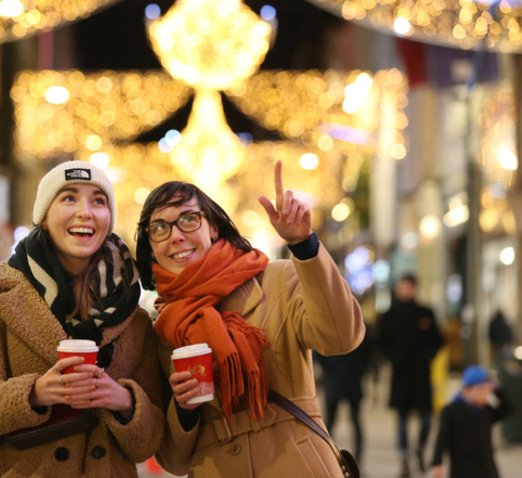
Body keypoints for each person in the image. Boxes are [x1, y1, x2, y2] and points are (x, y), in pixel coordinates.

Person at [0, 161, 165, 477]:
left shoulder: (133, 320)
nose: (86, 211)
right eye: (69, 198)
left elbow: (149, 445)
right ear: (44, 215)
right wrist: (36, 393)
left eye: (98, 200)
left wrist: (124, 401)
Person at [135, 161, 365, 478]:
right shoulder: (160, 331)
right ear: (150, 245)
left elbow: (342, 337)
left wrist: (304, 246)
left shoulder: (277, 280)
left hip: (299, 465)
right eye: (159, 227)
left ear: (212, 227)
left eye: (188, 219)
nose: (175, 236)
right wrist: (184, 409)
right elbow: (174, 462)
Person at [378, 274, 444, 478]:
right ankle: (404, 458)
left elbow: (439, 341)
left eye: (409, 287)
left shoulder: (425, 312)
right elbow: (380, 342)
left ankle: (420, 448)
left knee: (426, 419)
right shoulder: (390, 314)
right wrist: (393, 358)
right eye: (403, 287)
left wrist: (428, 357)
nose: (406, 290)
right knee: (402, 419)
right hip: (401, 375)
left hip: (422, 374)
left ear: (415, 288)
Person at [431, 365, 514, 478]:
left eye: (488, 391)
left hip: (487, 469)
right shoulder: (451, 411)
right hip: (462, 470)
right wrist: (437, 463)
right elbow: (442, 438)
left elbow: (508, 410)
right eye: (481, 391)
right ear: (466, 389)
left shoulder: (486, 411)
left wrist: (497, 389)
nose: (486, 395)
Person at [315, 323, 372, 465]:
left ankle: (358, 461)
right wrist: (329, 370)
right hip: (334, 381)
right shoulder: (329, 326)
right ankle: (327, 459)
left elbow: (368, 354)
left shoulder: (361, 326)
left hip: (353, 381)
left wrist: (360, 371)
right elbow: (319, 353)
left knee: (355, 422)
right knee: (329, 423)